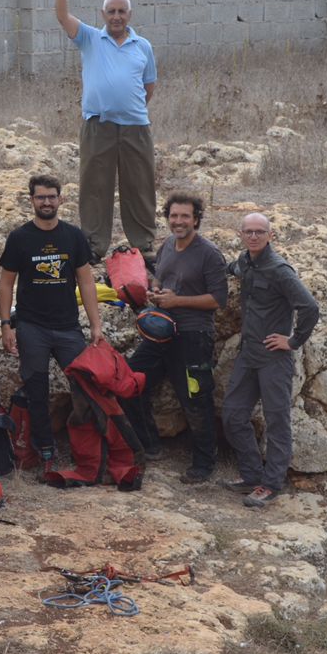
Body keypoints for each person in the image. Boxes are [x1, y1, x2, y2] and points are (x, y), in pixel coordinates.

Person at [54, 0, 158, 262]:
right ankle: (94, 246)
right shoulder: (89, 38)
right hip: (98, 126)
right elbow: (62, 16)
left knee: (139, 185)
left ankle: (143, 244)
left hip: (135, 127)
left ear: (129, 15)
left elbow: (148, 86)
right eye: (110, 11)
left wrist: (128, 107)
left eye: (121, 12)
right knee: (94, 186)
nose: (116, 16)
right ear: (103, 15)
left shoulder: (143, 46)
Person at [0, 175, 105, 472]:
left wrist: (95, 325)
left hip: (68, 326)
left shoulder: (73, 236)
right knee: (37, 391)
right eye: (40, 197)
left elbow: (86, 280)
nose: (46, 202)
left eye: (51, 197)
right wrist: (6, 324)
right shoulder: (20, 238)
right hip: (32, 326)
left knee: (85, 385)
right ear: (31, 200)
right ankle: (44, 451)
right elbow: (6, 284)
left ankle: (87, 450)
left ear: (61, 199)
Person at [124, 193, 228, 483]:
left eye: (185, 216)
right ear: (167, 218)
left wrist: (178, 301)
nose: (179, 221)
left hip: (194, 336)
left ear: (196, 219)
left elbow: (219, 300)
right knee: (131, 381)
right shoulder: (168, 244)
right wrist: (153, 292)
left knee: (195, 398)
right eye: (174, 216)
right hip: (160, 332)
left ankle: (204, 464)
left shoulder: (209, 253)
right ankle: (150, 445)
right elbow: (161, 277)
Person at [221, 213, 320, 507]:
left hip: (274, 359)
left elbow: (310, 307)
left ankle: (271, 484)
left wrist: (292, 341)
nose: (253, 236)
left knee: (277, 421)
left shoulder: (280, 270)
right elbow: (231, 268)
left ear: (270, 235)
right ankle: (252, 476)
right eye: (248, 232)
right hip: (248, 355)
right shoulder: (246, 262)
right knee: (233, 414)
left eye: (259, 232)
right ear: (241, 234)